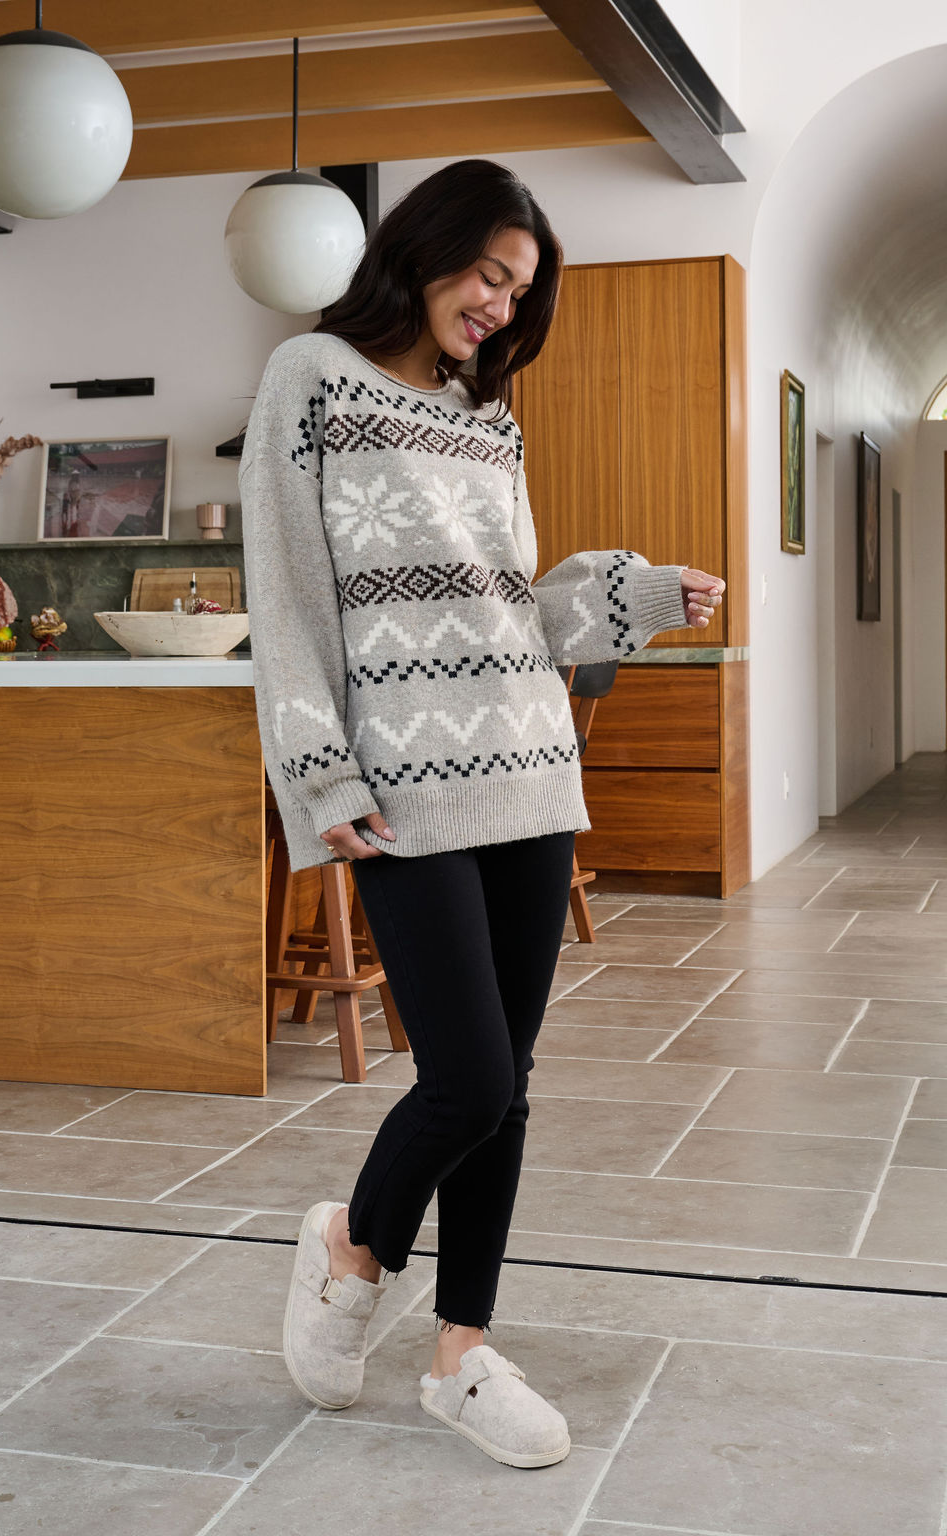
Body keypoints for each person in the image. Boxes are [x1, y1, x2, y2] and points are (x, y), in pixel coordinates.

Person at [240, 158, 724, 1469]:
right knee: (468, 1077)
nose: (503, 309)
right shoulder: (311, 382)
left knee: (510, 1092)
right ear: (434, 246)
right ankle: (350, 1249)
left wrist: (630, 594)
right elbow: (285, 607)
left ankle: (462, 1349)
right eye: (494, 276)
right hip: (399, 786)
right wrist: (319, 777)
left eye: (521, 292)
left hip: (529, 768)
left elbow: (515, 612)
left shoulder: (486, 420)